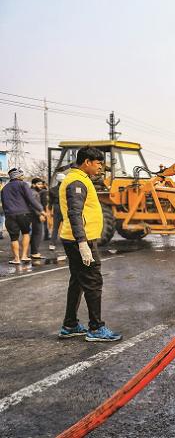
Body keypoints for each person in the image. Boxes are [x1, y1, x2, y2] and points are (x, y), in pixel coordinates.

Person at [58, 146, 122, 342]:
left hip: (76, 239)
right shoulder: (76, 182)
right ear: (87, 162)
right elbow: (74, 214)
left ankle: (70, 325)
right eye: (98, 163)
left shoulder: (80, 178)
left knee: (77, 281)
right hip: (79, 240)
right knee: (93, 282)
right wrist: (83, 243)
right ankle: (96, 328)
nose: (100, 167)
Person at [0, 168, 45, 264]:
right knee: (25, 233)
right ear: (18, 176)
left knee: (14, 238)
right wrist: (41, 210)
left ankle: (16, 259)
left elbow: (4, 204)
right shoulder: (23, 185)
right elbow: (31, 199)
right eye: (22, 175)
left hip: (10, 215)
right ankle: (24, 256)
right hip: (24, 214)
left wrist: (8, 213)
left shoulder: (4, 188)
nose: (23, 177)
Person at [29, 177, 47, 259]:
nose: (41, 186)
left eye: (41, 184)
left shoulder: (33, 192)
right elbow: (32, 206)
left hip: (34, 215)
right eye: (38, 184)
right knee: (38, 234)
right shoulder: (33, 193)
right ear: (33, 184)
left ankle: (34, 251)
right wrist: (39, 215)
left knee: (35, 234)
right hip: (36, 216)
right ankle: (34, 252)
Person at [48, 172, 66, 250]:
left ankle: (52, 244)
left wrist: (49, 210)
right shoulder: (67, 189)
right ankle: (67, 242)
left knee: (55, 227)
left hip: (56, 208)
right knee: (66, 226)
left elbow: (50, 202)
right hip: (65, 208)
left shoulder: (52, 190)